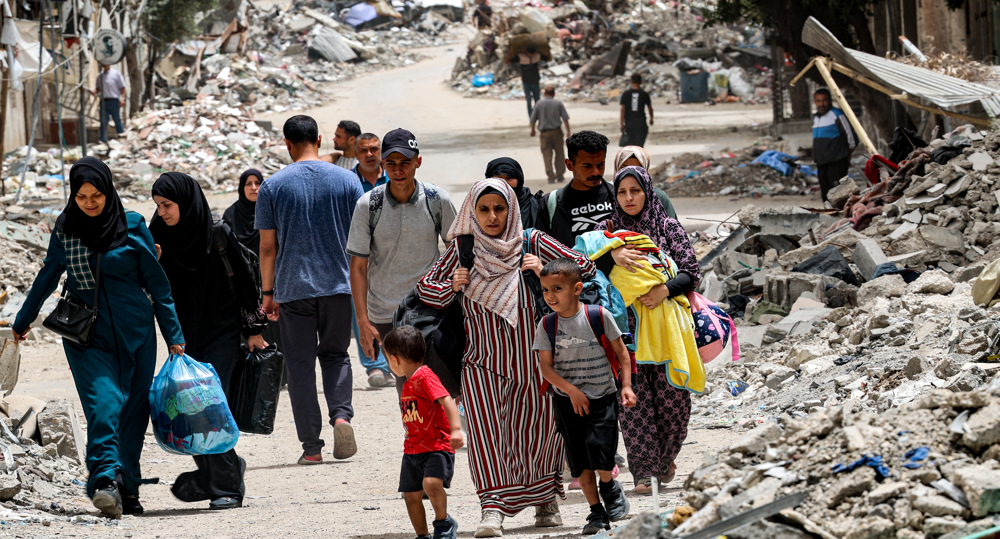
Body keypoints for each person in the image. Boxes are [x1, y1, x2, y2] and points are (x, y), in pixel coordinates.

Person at [417, 178, 598, 537]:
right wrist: (451, 285)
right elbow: (426, 289)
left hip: (536, 361)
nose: (492, 216)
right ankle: (492, 507)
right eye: (483, 209)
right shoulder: (462, 249)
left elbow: (584, 267)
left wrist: (545, 269)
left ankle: (546, 500)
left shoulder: (531, 240)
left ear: (511, 209)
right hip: (482, 361)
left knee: (541, 431)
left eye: (499, 208)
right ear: (472, 211)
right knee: (487, 435)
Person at [11, 157, 185, 517]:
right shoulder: (66, 230)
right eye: (81, 196)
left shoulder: (133, 226)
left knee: (135, 414)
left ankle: (129, 487)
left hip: (137, 335)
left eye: (97, 196)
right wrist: (22, 321)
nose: (89, 203)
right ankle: (105, 480)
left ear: (109, 192)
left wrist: (174, 337)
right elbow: (47, 277)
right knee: (104, 406)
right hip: (87, 337)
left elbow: (158, 286)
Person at [150, 172, 267, 510]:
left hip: (222, 332)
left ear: (185, 203)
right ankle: (221, 472)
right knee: (190, 407)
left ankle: (225, 486)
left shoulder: (216, 233)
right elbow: (150, 284)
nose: (163, 213)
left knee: (212, 406)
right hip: (182, 336)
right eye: (158, 206)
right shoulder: (156, 235)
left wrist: (254, 330)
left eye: (168, 205)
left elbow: (246, 281)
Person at [256, 115, 363, 465]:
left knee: (300, 366)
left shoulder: (272, 186)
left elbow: (268, 248)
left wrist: (267, 293)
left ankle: (311, 448)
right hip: (339, 285)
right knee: (335, 355)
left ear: (287, 144)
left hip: (293, 288)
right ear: (319, 138)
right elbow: (361, 241)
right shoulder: (348, 181)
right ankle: (342, 416)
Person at [596, 165, 702, 495]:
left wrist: (664, 290)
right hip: (624, 330)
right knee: (633, 404)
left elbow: (691, 271)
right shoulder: (606, 231)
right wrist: (611, 255)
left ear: (648, 192)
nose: (629, 198)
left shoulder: (668, 228)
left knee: (674, 407)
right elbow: (586, 268)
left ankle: (665, 458)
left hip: (668, 331)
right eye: (622, 192)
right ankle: (644, 473)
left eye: (635, 191)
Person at [347, 128, 456, 392]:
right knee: (407, 386)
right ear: (383, 164)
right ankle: (416, 434)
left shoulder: (436, 200)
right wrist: (363, 321)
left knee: (439, 380)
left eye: (405, 162)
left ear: (418, 161)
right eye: (392, 163)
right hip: (386, 312)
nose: (398, 170)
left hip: (430, 306)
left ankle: (440, 433)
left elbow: (457, 252)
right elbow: (358, 267)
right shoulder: (368, 205)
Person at [533, 259, 636, 534]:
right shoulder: (546, 325)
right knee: (579, 461)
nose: (550, 296)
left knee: (601, 451)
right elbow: (545, 367)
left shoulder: (598, 316)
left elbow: (622, 354)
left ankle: (609, 485)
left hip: (602, 396)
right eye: (545, 290)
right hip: (567, 401)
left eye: (557, 288)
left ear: (577, 288)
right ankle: (596, 513)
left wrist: (626, 386)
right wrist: (572, 391)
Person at [383, 325, 463, 539]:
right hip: (412, 449)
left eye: (389, 361)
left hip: (436, 446)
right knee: (410, 495)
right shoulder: (409, 381)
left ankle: (443, 523)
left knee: (431, 484)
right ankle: (422, 535)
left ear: (395, 359)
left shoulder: (425, 376)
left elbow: (447, 399)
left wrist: (456, 430)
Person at [348, 132, 393, 386]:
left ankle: (396, 360)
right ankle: (375, 364)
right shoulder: (348, 183)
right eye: (363, 150)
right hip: (359, 256)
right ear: (355, 154)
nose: (369, 154)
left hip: (391, 254)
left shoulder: (395, 178)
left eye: (374, 149)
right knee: (361, 308)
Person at [536, 130, 613, 248]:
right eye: (587, 166)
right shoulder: (551, 204)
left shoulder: (618, 195)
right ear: (569, 165)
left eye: (600, 164)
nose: (596, 172)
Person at [812, 88, 857, 203]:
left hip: (836, 162)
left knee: (838, 193)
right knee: (825, 194)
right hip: (822, 162)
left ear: (830, 100)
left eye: (824, 100)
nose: (821, 104)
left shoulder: (837, 115)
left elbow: (851, 137)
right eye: (818, 101)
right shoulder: (816, 117)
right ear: (815, 102)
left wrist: (847, 155)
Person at [613, 146, 678, 221]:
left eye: (638, 168)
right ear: (617, 169)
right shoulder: (608, 195)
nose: (631, 171)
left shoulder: (659, 197)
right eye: (624, 168)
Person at [485, 157, 542, 230]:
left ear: (519, 179)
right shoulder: (480, 204)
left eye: (509, 178)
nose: (504, 183)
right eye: (499, 178)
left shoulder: (534, 205)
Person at [529, 86, 571, 184]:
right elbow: (565, 118)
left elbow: (533, 119)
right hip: (557, 132)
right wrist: (568, 131)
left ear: (544, 94)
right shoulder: (558, 103)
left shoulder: (539, 104)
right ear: (554, 94)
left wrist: (532, 130)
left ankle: (551, 176)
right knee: (559, 153)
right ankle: (560, 175)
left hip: (544, 133)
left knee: (547, 154)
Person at [92, 64, 126, 143]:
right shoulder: (100, 76)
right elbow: (98, 88)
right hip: (104, 101)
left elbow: (123, 87)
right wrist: (95, 91)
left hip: (114, 100)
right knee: (103, 120)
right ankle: (103, 138)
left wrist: (123, 99)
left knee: (116, 119)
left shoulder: (116, 74)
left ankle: (121, 135)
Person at [619, 73, 653, 148]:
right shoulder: (644, 94)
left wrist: (621, 124)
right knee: (639, 146)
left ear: (631, 82)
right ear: (641, 82)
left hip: (629, 124)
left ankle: (632, 159)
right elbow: (650, 108)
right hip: (641, 124)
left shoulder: (626, 94)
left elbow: (622, 110)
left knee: (631, 146)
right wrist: (651, 119)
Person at [517, 47, 542, 117]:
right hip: (533, 81)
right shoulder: (537, 56)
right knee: (535, 100)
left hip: (528, 82)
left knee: (530, 101)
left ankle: (532, 116)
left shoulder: (521, 57)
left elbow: (509, 60)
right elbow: (547, 57)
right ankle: (533, 116)